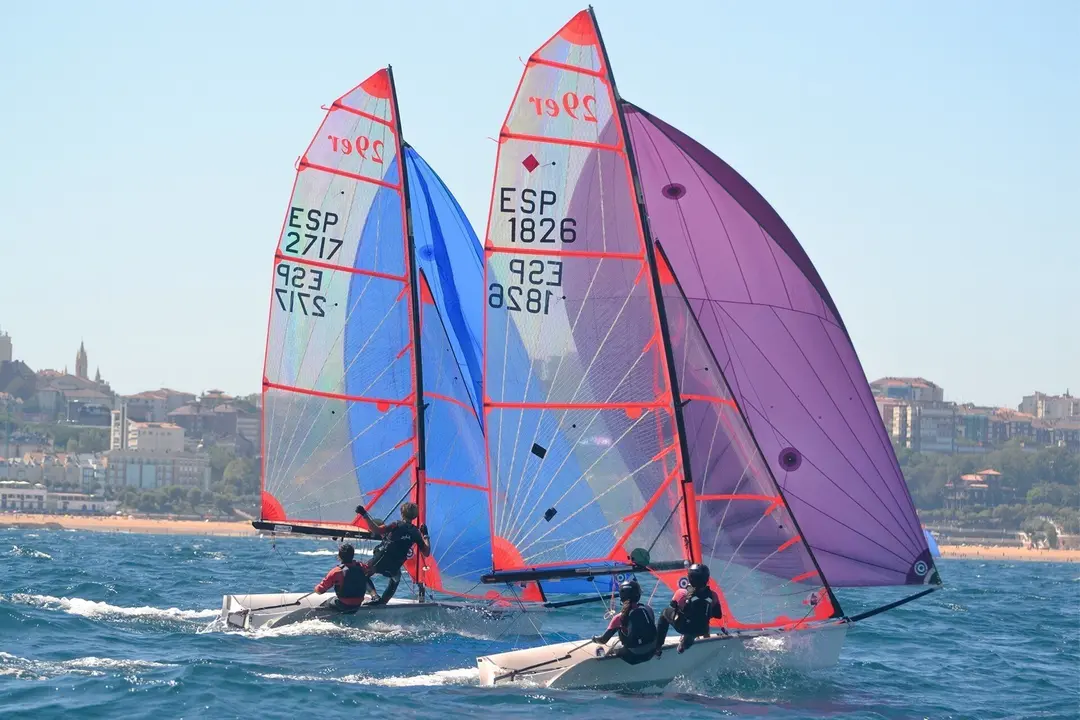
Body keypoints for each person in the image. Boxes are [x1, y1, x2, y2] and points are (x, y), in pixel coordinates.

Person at [354, 501, 430, 605]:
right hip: (395, 565)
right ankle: (383, 603)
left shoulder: (395, 525)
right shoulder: (416, 532)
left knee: (361, 574)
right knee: (395, 580)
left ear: (402, 513)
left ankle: (375, 596)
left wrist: (364, 514)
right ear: (415, 516)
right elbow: (426, 552)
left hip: (381, 559)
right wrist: (425, 535)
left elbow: (376, 530)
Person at [654, 563, 723, 657]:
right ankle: (684, 646)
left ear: (690, 578)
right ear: (707, 578)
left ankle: (658, 646)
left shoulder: (682, 593)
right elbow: (718, 615)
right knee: (696, 625)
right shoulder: (713, 595)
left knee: (664, 613)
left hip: (683, 627)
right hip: (703, 629)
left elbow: (672, 607)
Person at [590, 579, 657, 665]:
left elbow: (603, 640)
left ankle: (603, 657)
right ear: (638, 595)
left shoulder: (619, 617)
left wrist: (594, 639)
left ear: (622, 596)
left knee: (615, 646)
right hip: (651, 652)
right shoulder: (648, 609)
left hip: (633, 657)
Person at [312, 543, 375, 610]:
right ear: (353, 555)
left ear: (339, 556)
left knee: (328, 602)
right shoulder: (362, 567)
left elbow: (320, 591)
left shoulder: (336, 572)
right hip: (358, 604)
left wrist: (316, 589)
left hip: (343, 604)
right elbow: (371, 570)